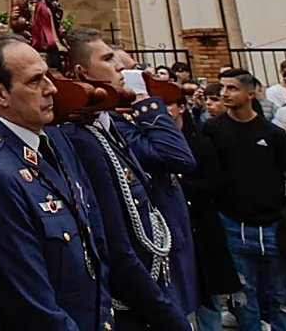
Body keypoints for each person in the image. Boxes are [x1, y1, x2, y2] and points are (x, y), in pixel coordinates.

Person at [0, 34, 110, 330]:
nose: (51, 88)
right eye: (34, 81)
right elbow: (26, 298)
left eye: (48, 76)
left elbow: (95, 242)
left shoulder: (55, 140)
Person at [59, 30, 192, 331]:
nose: (120, 67)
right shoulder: (84, 136)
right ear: (82, 71)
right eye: (107, 59)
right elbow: (117, 244)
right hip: (131, 301)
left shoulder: (109, 123)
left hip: (156, 273)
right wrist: (167, 315)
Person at [204, 68, 286, 331]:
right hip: (231, 222)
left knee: (281, 293)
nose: (225, 93)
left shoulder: (272, 133)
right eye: (222, 87)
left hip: (272, 223)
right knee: (242, 296)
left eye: (232, 88)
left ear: (251, 94)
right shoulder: (212, 130)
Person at [168, 91, 240, 331]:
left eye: (169, 104)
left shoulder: (200, 143)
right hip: (173, 227)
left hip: (203, 222)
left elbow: (215, 183)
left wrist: (180, 184)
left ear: (181, 108)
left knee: (209, 294)